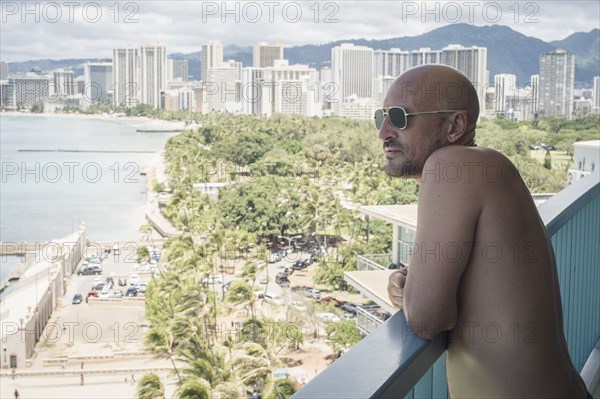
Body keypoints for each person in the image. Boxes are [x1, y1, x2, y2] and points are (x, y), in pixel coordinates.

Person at [381, 65, 590, 398]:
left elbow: (426, 319)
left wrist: (410, 296)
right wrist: (412, 288)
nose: (384, 132)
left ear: (455, 126)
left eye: (400, 117)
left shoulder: (451, 166)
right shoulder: (489, 166)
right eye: (382, 117)